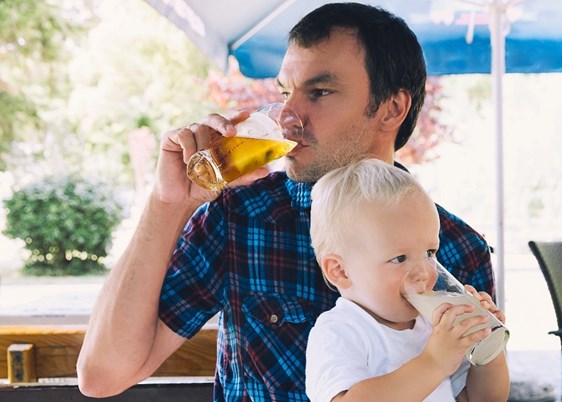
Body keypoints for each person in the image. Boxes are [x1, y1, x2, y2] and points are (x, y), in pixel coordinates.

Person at [77, 3, 498, 401]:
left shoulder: (461, 249)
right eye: (285, 92)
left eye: (319, 92)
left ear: (391, 109)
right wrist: (168, 203)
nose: (287, 117)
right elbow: (102, 376)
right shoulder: (238, 218)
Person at [306, 158, 509, 402]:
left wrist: (487, 350)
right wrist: (433, 362)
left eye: (429, 253)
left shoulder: (433, 325)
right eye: (399, 258)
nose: (423, 272)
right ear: (340, 271)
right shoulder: (340, 331)